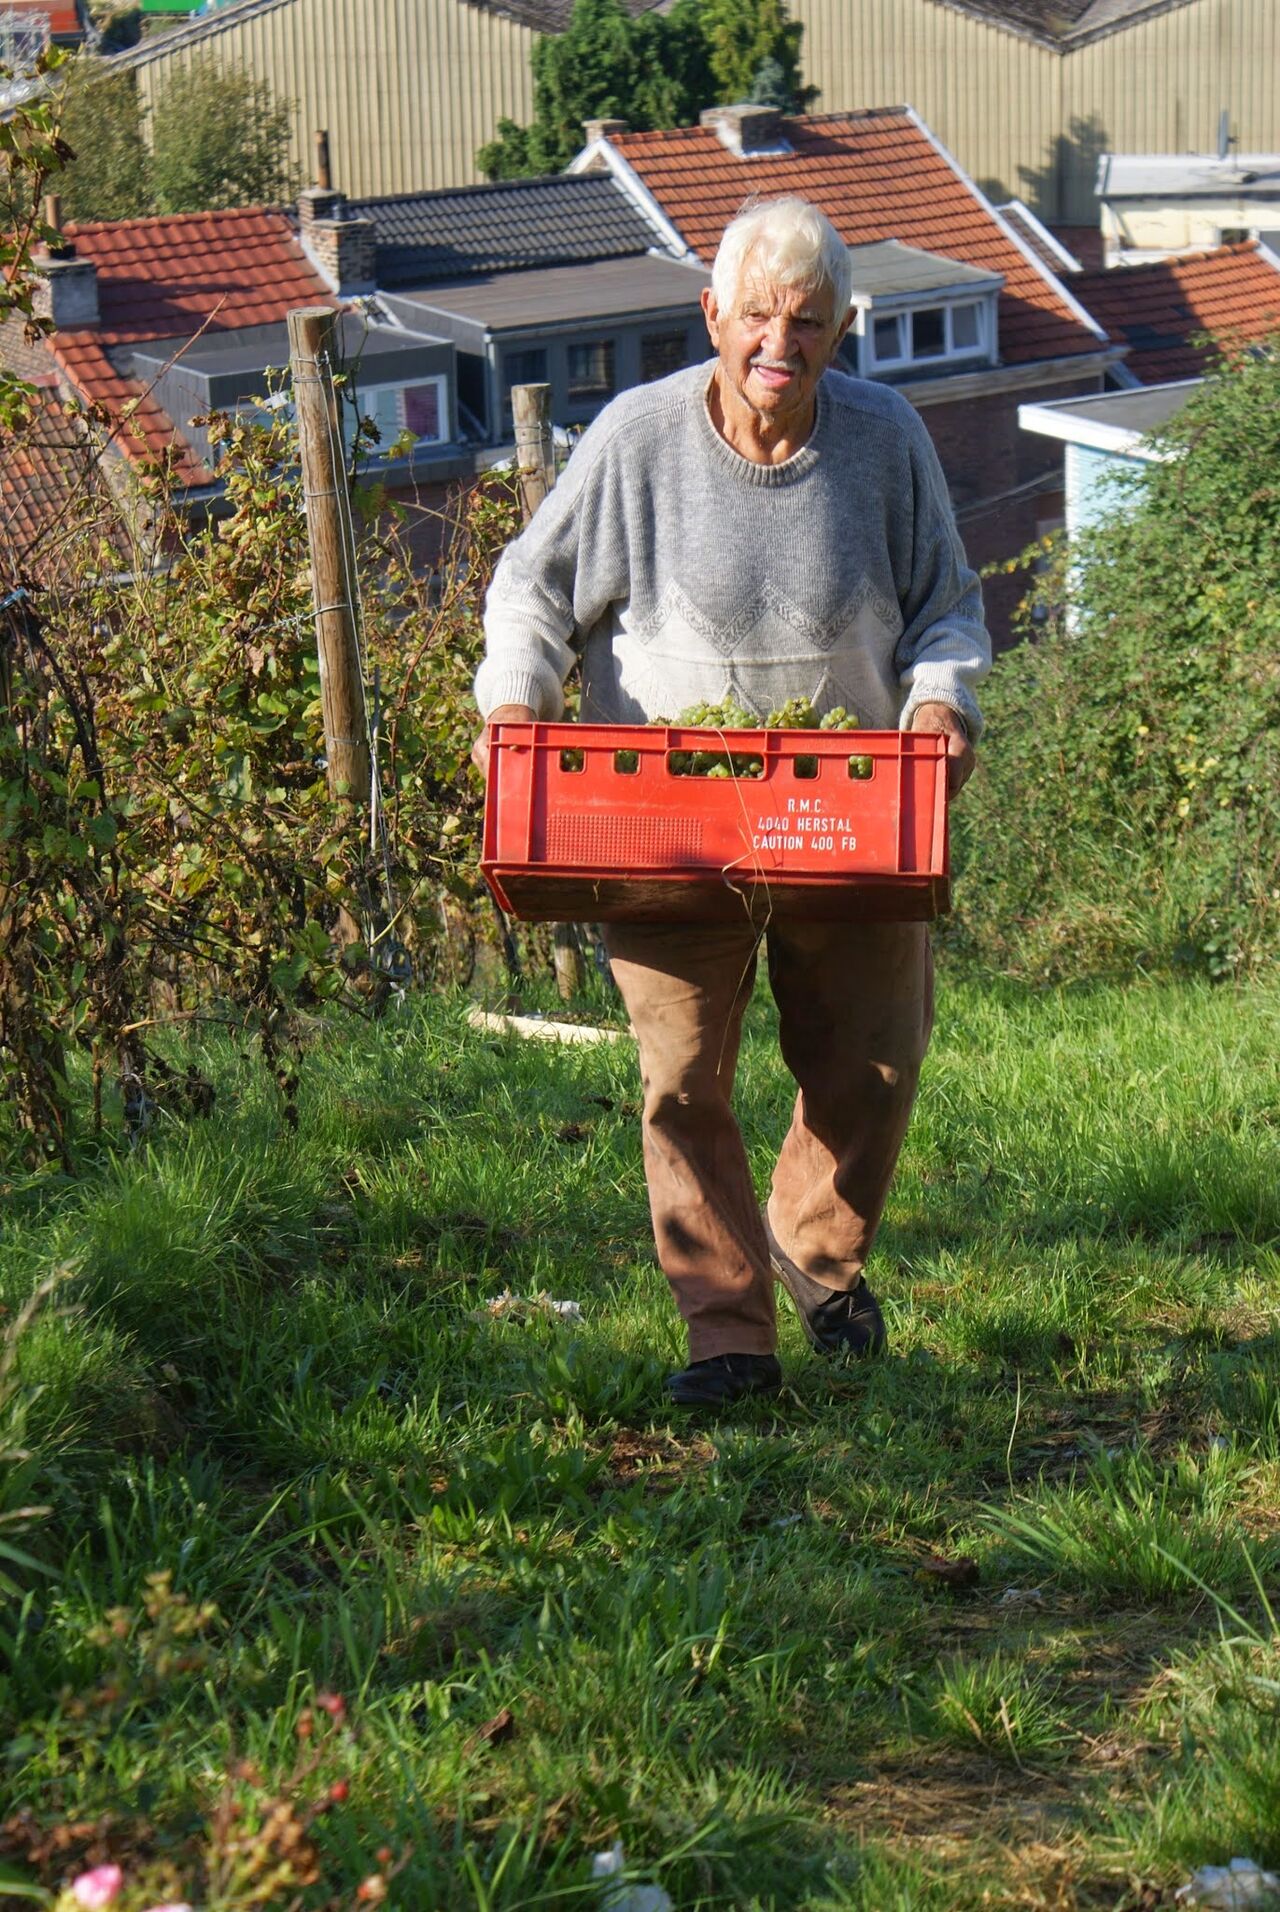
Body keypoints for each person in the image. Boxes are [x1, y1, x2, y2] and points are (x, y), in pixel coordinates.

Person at [472, 195, 989, 1408]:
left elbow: (947, 608)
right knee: (682, 1079)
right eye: (756, 315)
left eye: (806, 321)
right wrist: (514, 702)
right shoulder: (636, 439)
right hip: (663, 817)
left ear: (840, 329)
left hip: (847, 810)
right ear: (710, 314)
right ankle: (725, 1335)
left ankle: (812, 1251)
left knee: (874, 1058)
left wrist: (938, 704)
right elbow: (531, 590)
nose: (777, 343)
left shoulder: (886, 439)